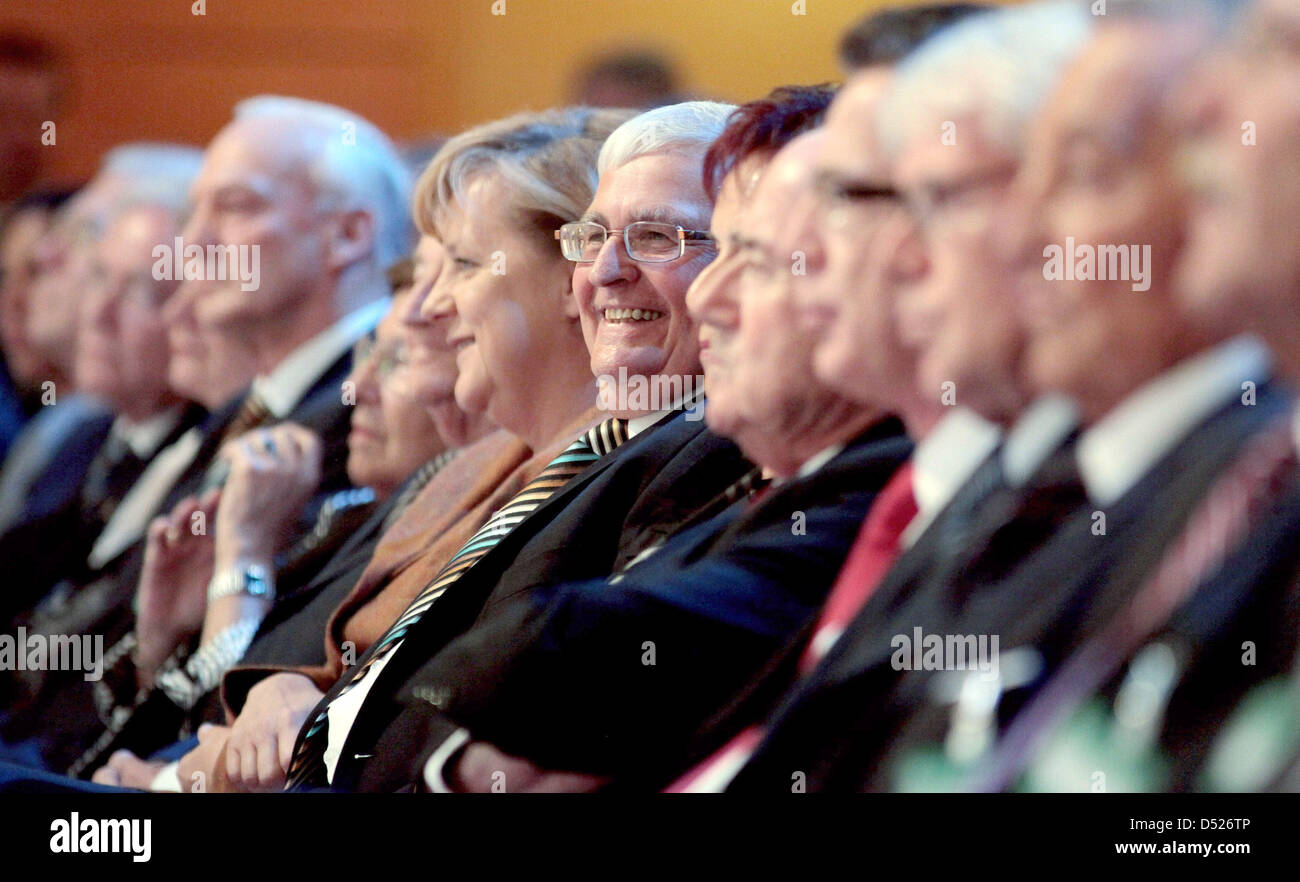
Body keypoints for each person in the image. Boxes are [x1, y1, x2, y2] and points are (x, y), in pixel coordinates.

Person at [0, 95, 414, 774]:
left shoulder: (372, 416)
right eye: (197, 212)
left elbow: (256, 680)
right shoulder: (250, 408)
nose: (194, 246)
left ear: (348, 235)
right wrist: (152, 652)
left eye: (238, 206)